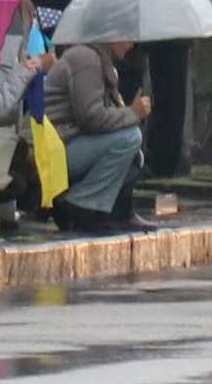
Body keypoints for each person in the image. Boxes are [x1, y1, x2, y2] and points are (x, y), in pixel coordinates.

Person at [46, 33, 152, 234]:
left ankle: (116, 212)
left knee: (132, 146)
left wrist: (124, 108)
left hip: (71, 142)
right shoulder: (86, 59)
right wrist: (132, 112)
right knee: (129, 138)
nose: (131, 45)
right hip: (57, 148)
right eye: (128, 37)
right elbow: (91, 118)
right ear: (113, 36)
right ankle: (81, 204)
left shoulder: (100, 62)